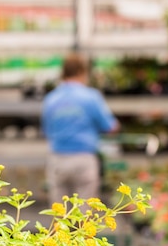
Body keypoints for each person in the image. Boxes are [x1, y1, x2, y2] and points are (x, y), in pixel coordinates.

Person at [41, 52, 119, 204]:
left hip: (58, 159)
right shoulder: (91, 97)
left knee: (60, 214)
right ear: (82, 72)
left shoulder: (51, 99)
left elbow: (46, 131)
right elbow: (110, 127)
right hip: (84, 159)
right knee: (84, 216)